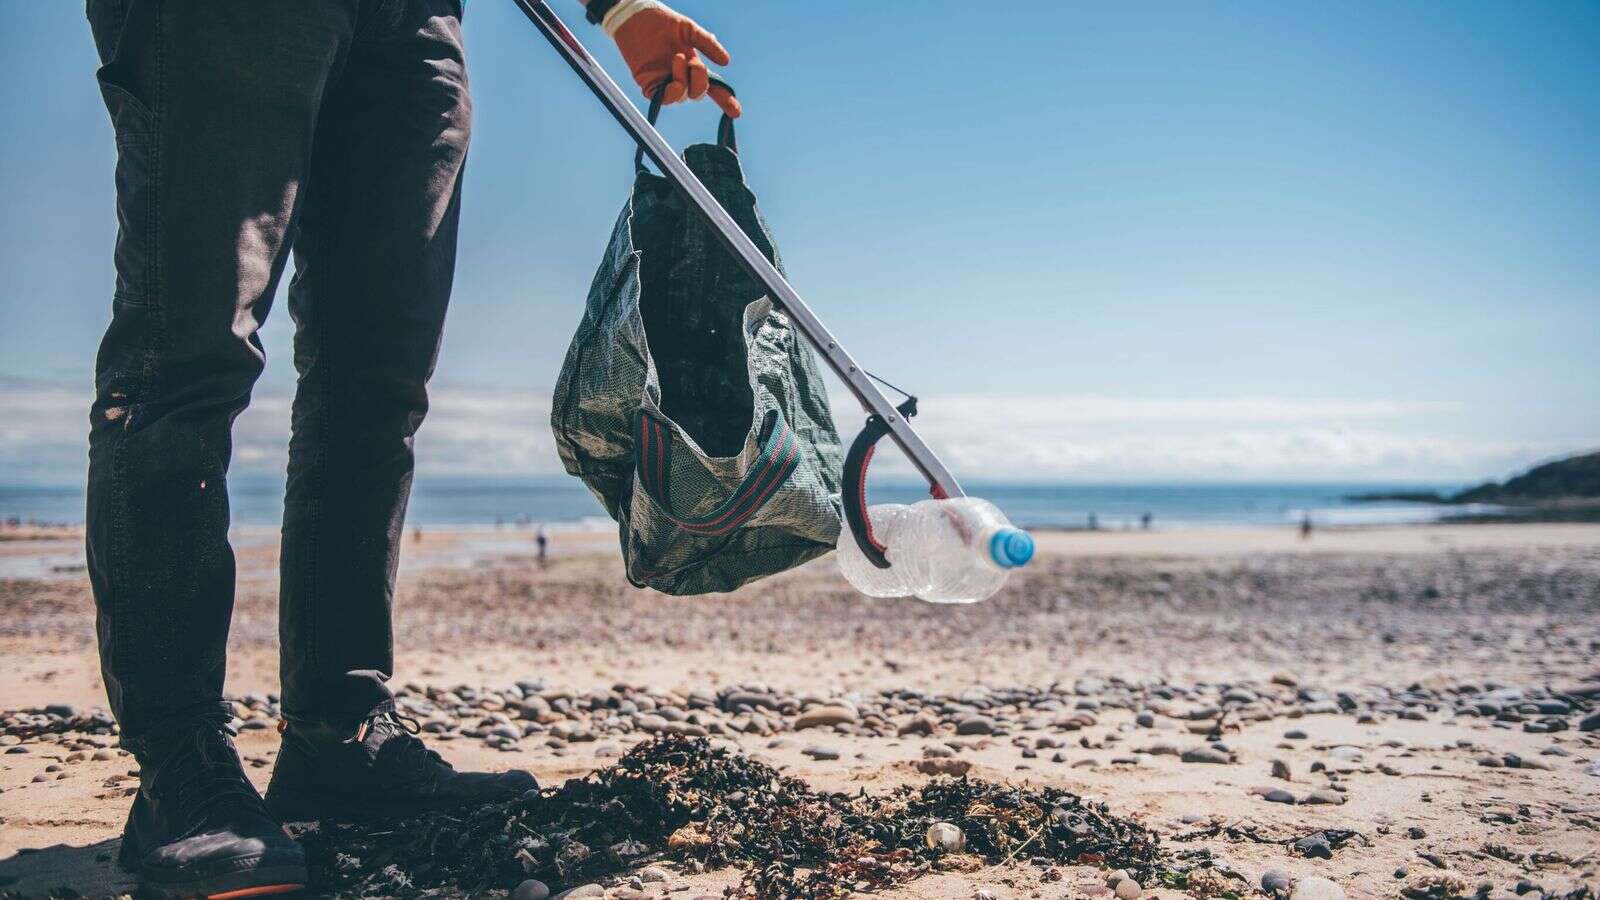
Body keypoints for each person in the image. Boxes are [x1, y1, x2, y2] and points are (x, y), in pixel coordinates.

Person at [81, 1, 738, 895]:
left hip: (414, 19)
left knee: (377, 385)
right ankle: (176, 769)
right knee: (185, 360)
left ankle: (340, 739)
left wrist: (614, 7)